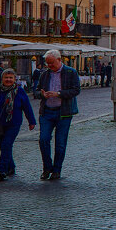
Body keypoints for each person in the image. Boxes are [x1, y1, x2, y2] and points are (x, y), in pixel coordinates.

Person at [32, 49, 81, 180]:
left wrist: (59, 93)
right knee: (43, 139)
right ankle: (47, 168)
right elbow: (35, 92)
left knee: (60, 143)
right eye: (47, 63)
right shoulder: (44, 74)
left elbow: (76, 90)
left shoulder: (71, 72)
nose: (49, 66)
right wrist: (41, 94)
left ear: (59, 60)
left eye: (52, 63)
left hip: (63, 112)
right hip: (47, 111)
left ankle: (57, 170)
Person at [0, 69, 36, 180]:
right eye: (6, 77)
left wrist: (31, 121)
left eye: (11, 78)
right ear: (2, 79)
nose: (8, 80)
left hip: (13, 123)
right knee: (4, 146)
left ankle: (2, 170)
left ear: (15, 79)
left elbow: (27, 107)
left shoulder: (20, 91)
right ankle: (11, 167)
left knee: (6, 145)